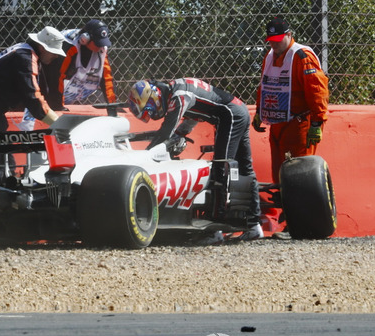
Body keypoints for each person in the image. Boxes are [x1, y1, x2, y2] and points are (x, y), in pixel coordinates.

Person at [127, 78, 263, 241]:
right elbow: (194, 117)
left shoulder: (178, 95)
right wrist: (180, 135)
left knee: (222, 169)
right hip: (237, 111)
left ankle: (215, 230)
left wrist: (145, 157)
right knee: (245, 169)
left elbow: (166, 132)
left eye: (149, 108)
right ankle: (255, 226)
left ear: (154, 95)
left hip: (231, 116)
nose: (152, 114)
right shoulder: (178, 91)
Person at [0, 26, 66, 183]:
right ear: (42, 47)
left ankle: (4, 196)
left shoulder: (22, 51)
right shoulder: (25, 57)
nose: (55, 57)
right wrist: (58, 123)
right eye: (54, 52)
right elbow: (32, 96)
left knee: (6, 161)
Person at [253, 16, 330, 183]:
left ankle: (300, 209)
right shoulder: (269, 56)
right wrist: (259, 111)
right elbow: (264, 86)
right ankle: (284, 207)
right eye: (271, 41)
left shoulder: (302, 56)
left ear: (289, 35)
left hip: (299, 124)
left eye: (278, 40)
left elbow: (317, 91)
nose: (274, 44)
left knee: (298, 175)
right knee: (279, 175)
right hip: (276, 125)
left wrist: (317, 123)